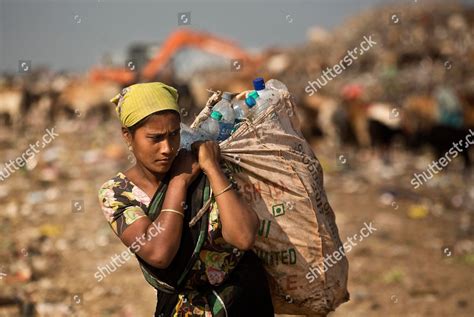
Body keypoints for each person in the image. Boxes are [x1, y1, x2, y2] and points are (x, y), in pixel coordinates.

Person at [97, 82, 274, 316]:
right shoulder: (117, 193)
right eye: (155, 138)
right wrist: (179, 183)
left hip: (243, 300)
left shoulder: (202, 164)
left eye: (174, 134)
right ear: (128, 136)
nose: (167, 148)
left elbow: (242, 237)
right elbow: (159, 253)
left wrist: (212, 168)